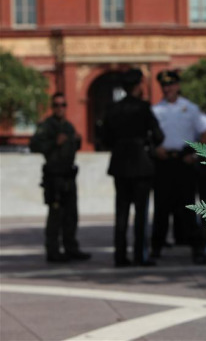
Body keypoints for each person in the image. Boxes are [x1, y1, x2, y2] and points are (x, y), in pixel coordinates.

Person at [102, 69, 164, 267]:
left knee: (121, 213)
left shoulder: (112, 109)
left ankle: (120, 256)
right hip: (141, 163)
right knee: (141, 213)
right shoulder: (143, 108)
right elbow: (158, 135)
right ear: (137, 86)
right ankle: (140, 255)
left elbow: (105, 139)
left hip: (120, 164)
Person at [151, 69, 206, 261]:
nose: (167, 88)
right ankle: (156, 247)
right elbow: (150, 137)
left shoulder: (190, 108)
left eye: (170, 85)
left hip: (184, 162)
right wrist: (154, 149)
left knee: (188, 207)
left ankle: (197, 248)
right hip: (163, 162)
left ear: (177, 86)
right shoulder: (155, 110)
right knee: (161, 207)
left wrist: (195, 154)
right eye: (164, 85)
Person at [30, 93, 91, 263]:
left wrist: (76, 141)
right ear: (52, 107)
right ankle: (53, 250)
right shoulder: (47, 126)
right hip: (54, 176)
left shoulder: (68, 126)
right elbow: (34, 145)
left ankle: (71, 247)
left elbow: (72, 147)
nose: (60, 108)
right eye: (57, 105)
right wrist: (53, 143)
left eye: (63, 105)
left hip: (68, 175)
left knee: (71, 214)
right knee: (55, 215)